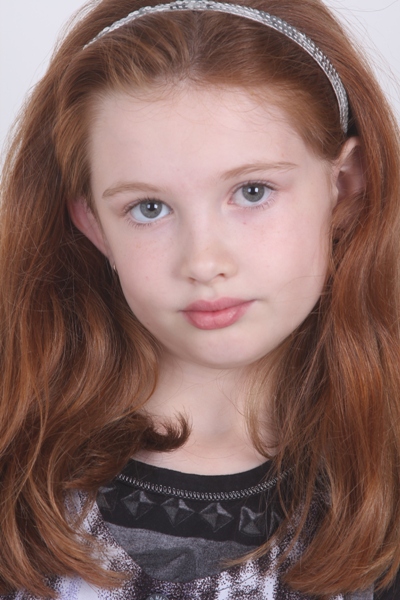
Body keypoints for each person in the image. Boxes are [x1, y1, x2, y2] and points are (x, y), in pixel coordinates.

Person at [0, 0, 400, 598]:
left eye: (253, 191)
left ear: (343, 186)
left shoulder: (383, 480)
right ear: (93, 224)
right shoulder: (16, 469)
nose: (204, 262)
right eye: (149, 208)